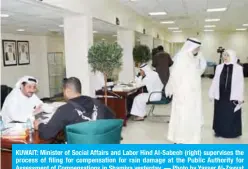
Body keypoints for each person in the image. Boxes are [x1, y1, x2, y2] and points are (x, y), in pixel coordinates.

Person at [34, 77, 115, 140]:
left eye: (64, 91)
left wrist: (39, 125)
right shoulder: (96, 102)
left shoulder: (64, 109)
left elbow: (46, 134)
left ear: (67, 91)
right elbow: (113, 117)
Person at [165, 38, 207, 144]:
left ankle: (189, 138)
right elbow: (174, 75)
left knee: (191, 115)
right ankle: (180, 138)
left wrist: (201, 59)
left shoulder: (193, 58)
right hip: (183, 93)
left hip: (193, 93)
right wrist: (172, 88)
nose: (198, 49)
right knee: (182, 115)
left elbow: (199, 72)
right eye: (197, 47)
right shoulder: (182, 57)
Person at [209, 50, 244, 138]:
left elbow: (240, 83)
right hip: (220, 95)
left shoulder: (238, 68)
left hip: (232, 96)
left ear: (232, 56)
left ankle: (231, 132)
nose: (225, 57)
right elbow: (215, 81)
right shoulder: (219, 67)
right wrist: (211, 92)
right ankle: (219, 131)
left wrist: (240, 97)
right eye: (224, 55)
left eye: (227, 55)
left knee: (230, 114)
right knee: (220, 113)